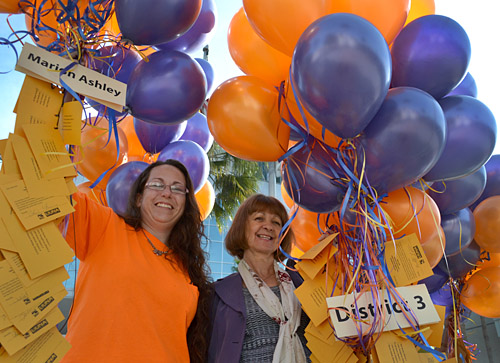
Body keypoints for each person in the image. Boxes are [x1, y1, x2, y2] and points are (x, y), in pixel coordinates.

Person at [62, 160, 211, 363]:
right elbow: (53, 190)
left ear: (185, 204)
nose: (167, 193)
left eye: (177, 188)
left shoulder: (188, 269)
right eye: (157, 184)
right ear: (139, 198)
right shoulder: (105, 226)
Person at [208, 194, 310, 362]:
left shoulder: (300, 283)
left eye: (276, 222)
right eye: (259, 218)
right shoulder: (217, 293)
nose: (268, 226)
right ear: (242, 227)